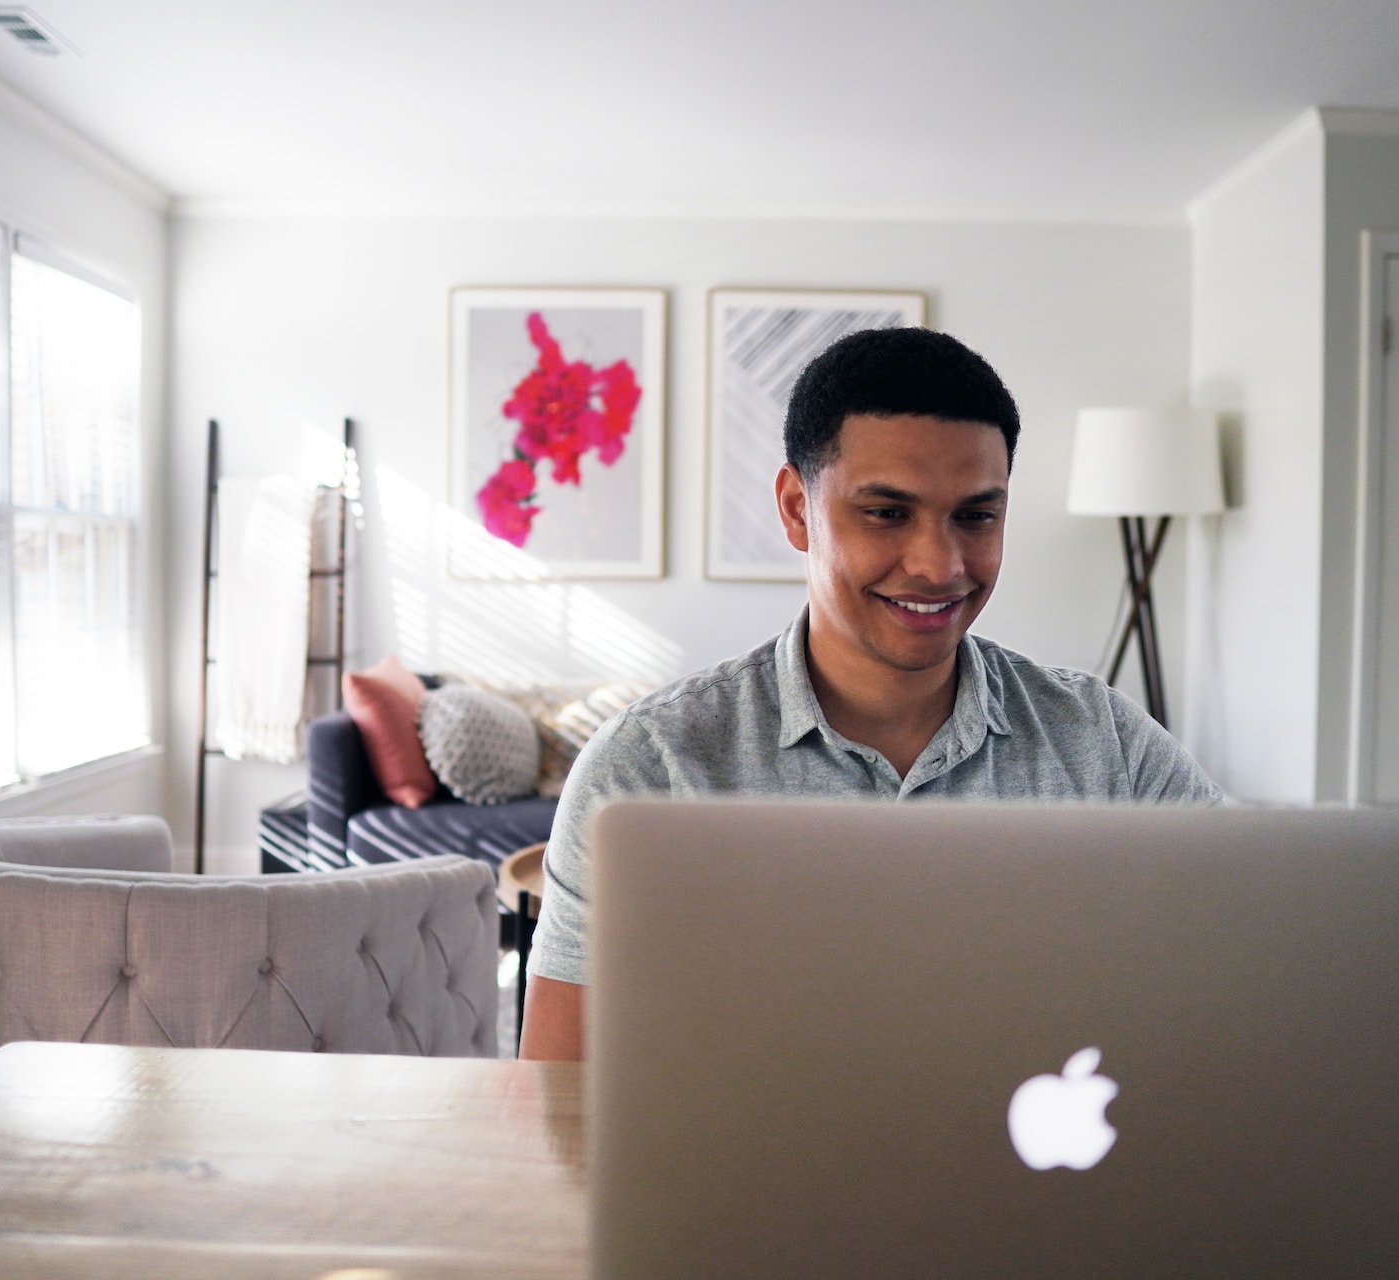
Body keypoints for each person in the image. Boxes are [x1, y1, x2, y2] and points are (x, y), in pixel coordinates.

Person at [519, 327, 1222, 1060]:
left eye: (976, 516)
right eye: (887, 514)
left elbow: (1248, 962)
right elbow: (552, 1100)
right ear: (797, 509)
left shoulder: (1102, 742)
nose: (939, 564)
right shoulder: (650, 765)